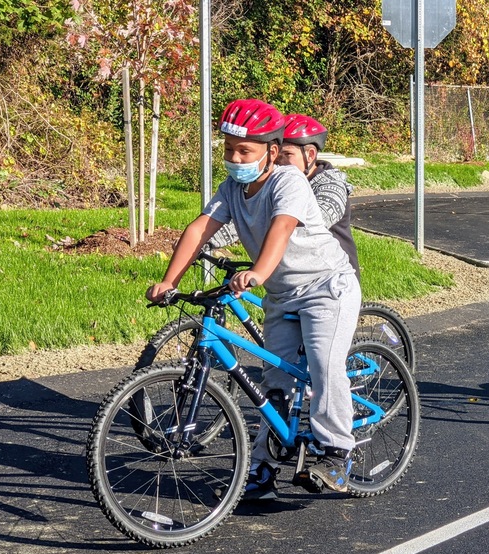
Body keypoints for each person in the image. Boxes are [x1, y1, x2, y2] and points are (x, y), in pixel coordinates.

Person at [146, 98, 362, 499]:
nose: (234, 157)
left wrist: (258, 273)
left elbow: (281, 228)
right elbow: (199, 230)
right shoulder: (232, 187)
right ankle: (263, 469)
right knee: (272, 384)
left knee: (323, 364)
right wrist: (168, 281)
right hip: (283, 296)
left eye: (244, 151)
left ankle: (337, 452)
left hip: (326, 288)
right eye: (228, 149)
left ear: (273, 152)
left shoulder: (288, 182)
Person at [276, 113, 360, 280]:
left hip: (333, 279)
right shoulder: (277, 183)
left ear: (311, 155)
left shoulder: (331, 186)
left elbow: (318, 220)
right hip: (295, 276)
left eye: (287, 155)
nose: (279, 162)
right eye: (276, 156)